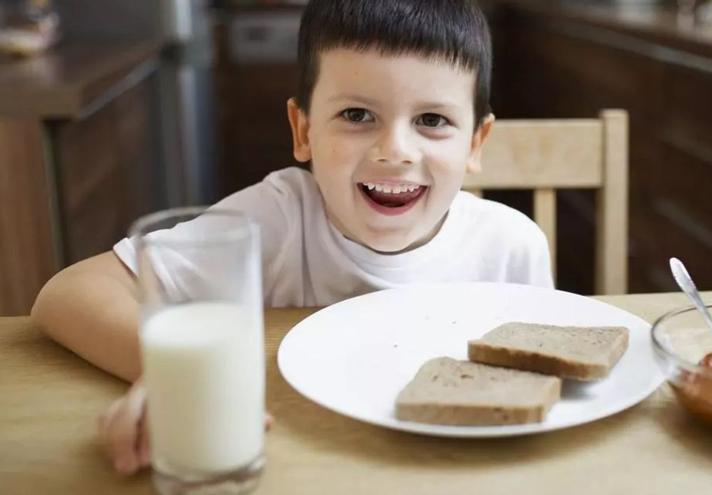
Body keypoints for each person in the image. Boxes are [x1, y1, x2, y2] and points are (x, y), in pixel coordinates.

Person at [30, 0, 552, 475]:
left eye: (433, 120)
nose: (395, 150)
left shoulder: (510, 247)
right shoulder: (277, 218)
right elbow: (68, 293)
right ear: (303, 131)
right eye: (357, 115)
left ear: (476, 142)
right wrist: (177, 380)